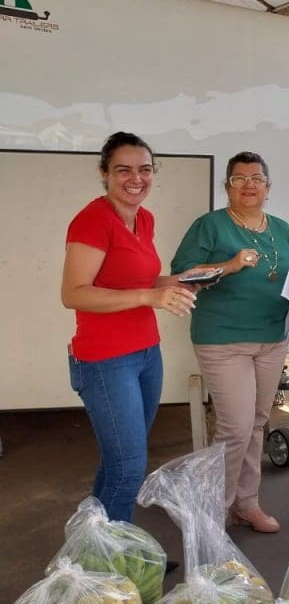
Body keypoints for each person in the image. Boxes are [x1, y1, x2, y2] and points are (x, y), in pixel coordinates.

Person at [61, 132, 205, 523]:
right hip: (106, 361)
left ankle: (96, 549)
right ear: (104, 173)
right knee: (128, 467)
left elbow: (137, 279)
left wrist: (175, 280)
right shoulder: (93, 221)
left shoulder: (144, 218)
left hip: (144, 354)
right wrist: (148, 298)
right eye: (123, 170)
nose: (135, 178)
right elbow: (74, 293)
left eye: (145, 169)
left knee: (119, 461)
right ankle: (114, 563)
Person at [170, 151, 289, 533]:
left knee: (256, 423)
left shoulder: (283, 228)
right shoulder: (210, 226)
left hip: (271, 337)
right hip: (223, 338)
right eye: (239, 178)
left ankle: (246, 503)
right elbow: (182, 276)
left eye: (256, 178)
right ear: (227, 185)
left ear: (268, 186)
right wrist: (230, 265)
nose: (248, 184)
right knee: (235, 426)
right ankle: (214, 508)